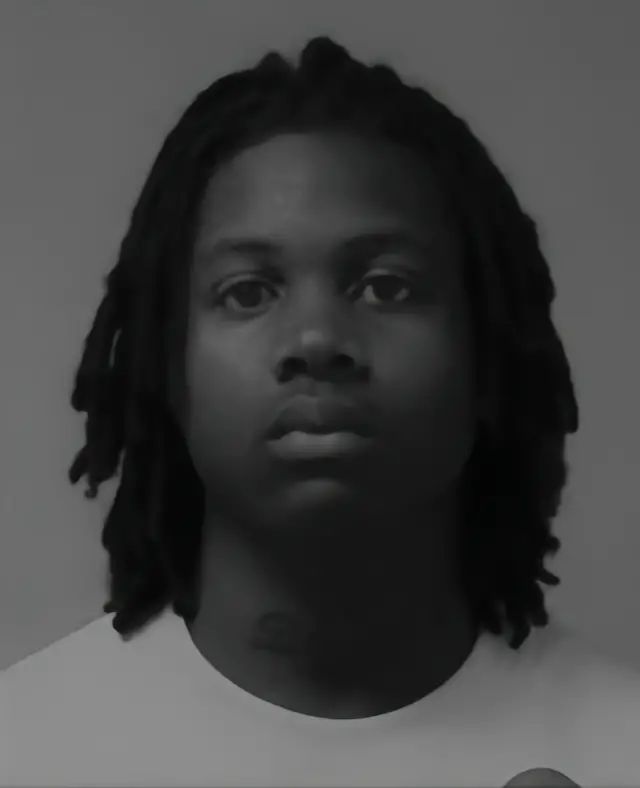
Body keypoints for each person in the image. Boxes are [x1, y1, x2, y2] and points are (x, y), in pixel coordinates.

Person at [1, 35, 639, 788]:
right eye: (248, 292)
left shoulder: (619, 752)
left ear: (486, 352)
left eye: (386, 286)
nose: (316, 340)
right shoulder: (24, 748)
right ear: (164, 364)